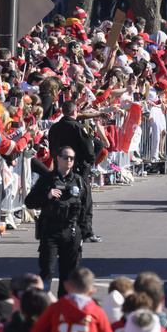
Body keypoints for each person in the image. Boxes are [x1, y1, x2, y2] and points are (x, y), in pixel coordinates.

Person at [24, 147, 91, 295]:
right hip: (50, 231)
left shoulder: (79, 182)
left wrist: (85, 231)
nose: (69, 161)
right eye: (66, 157)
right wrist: (47, 196)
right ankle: (43, 302)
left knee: (69, 273)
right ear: (58, 158)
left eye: (72, 158)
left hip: (71, 231)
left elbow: (87, 208)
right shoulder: (47, 180)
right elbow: (29, 202)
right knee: (47, 270)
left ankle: (64, 305)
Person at [48, 100, 101, 243]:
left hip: (59, 168)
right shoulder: (78, 127)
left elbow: (51, 147)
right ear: (74, 112)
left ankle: (60, 231)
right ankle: (85, 231)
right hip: (78, 168)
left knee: (60, 198)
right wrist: (89, 162)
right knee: (84, 199)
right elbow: (89, 149)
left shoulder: (54, 128)